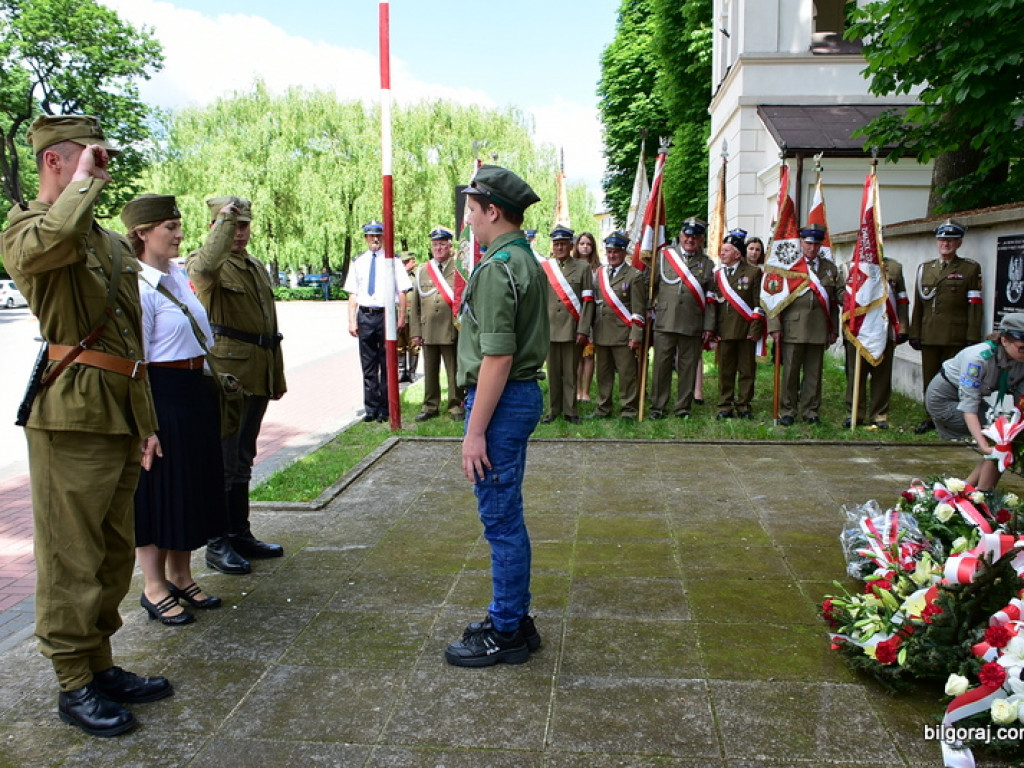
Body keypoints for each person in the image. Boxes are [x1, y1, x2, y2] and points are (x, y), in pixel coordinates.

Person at [2, 115, 171, 737]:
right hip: (71, 416)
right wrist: (81, 186)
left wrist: (146, 420)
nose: (101, 166)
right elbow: (47, 243)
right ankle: (72, 681)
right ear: (55, 162)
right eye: (88, 156)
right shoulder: (27, 229)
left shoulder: (104, 240)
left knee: (109, 551)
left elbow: (132, 337)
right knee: (71, 553)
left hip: (119, 410)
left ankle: (99, 662)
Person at [444, 164, 549, 667]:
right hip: (518, 397)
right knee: (508, 515)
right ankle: (516, 617)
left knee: (502, 522)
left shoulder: (497, 267)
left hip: (501, 402)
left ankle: (505, 629)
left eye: (471, 210)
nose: (467, 221)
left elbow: (498, 357)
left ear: (492, 211)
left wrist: (474, 432)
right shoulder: (523, 259)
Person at [122, 194, 226, 626]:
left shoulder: (178, 277)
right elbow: (136, 359)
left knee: (190, 487)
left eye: (179, 225)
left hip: (193, 389)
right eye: (170, 226)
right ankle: (153, 585)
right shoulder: (138, 284)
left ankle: (181, 574)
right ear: (142, 233)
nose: (180, 234)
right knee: (157, 491)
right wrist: (146, 424)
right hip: (160, 392)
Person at [188, 195, 286, 573]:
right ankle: (217, 543)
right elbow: (202, 268)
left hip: (257, 370)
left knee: (243, 458)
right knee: (224, 462)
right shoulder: (208, 264)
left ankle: (239, 532)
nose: (240, 232)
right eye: (233, 225)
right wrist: (222, 226)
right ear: (215, 226)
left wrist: (274, 375)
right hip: (230, 375)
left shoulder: (253, 266)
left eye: (244, 224)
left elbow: (266, 325)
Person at [925, 313, 1024, 491]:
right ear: (1004, 341)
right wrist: (984, 445)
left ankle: (965, 490)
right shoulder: (978, 359)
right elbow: (969, 407)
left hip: (971, 401)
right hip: (945, 399)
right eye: (1022, 347)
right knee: (1000, 439)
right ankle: (982, 494)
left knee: (1006, 438)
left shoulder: (1018, 357)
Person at [909, 219, 984, 434]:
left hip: (955, 334)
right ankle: (931, 417)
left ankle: (955, 419)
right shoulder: (925, 269)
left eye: (951, 240)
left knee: (954, 380)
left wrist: (972, 336)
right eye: (942, 239)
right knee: (930, 378)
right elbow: (919, 304)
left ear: (959, 243)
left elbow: (975, 306)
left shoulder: (970, 268)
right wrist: (915, 332)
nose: (946, 244)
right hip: (929, 333)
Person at [768, 223, 842, 426]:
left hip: (819, 327)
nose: (812, 248)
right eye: (809, 244)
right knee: (790, 371)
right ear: (801, 242)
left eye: (816, 244)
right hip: (793, 327)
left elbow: (834, 302)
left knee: (814, 372)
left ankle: (810, 410)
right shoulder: (789, 266)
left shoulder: (829, 269)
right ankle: (788, 410)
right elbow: (774, 297)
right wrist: (774, 326)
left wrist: (834, 328)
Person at [648, 217, 716, 419]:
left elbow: (711, 298)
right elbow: (650, 286)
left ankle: (683, 407)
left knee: (688, 367)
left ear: (701, 239)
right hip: (665, 321)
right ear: (680, 235)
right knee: (661, 365)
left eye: (695, 237)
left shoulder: (707, 264)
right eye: (687, 235)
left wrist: (709, 327)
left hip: (692, 322)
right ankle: (658, 406)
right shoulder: (663, 256)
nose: (690, 239)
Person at [344, 221, 412, 422]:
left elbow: (402, 291)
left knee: (387, 362)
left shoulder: (393, 261)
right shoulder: (359, 261)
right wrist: (351, 320)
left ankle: (385, 408)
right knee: (368, 365)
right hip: (365, 315)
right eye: (371, 236)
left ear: (383, 237)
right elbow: (353, 294)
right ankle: (370, 409)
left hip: (386, 314)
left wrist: (401, 318)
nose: (375, 239)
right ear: (365, 238)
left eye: (378, 236)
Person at [843, 256, 910, 429]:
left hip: (884, 327)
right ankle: (855, 413)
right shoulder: (848, 267)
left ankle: (879, 414)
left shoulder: (895, 267)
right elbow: (843, 296)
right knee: (855, 374)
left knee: (882, 374)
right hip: (858, 329)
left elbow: (902, 299)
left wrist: (902, 327)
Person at [589, 230, 647, 420]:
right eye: (609, 251)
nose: (612, 255)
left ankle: (628, 409)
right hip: (602, 331)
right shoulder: (599, 274)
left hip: (623, 333)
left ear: (624, 253)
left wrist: (636, 336)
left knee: (627, 374)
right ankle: (602, 408)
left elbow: (639, 309)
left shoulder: (634, 276)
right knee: (603, 374)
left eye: (616, 251)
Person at [409, 228, 464, 421]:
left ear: (450, 246)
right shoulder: (423, 271)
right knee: (430, 370)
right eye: (435, 244)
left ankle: (456, 405)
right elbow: (415, 304)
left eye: (442, 244)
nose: (438, 248)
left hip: (451, 328)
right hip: (428, 329)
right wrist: (415, 331)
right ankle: (430, 406)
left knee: (453, 370)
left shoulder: (460, 269)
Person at [541, 225, 594, 424]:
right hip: (550, 329)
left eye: (563, 243)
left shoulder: (583, 268)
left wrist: (583, 328)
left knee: (571, 372)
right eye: (556, 244)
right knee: (553, 373)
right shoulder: (545, 267)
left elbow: (588, 301)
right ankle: (553, 410)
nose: (560, 247)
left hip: (572, 329)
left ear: (571, 245)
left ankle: (571, 411)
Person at [713, 229, 764, 419]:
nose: (722, 253)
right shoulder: (718, 275)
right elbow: (714, 304)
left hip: (745, 330)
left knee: (746, 369)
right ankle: (724, 405)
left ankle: (744, 405)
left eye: (726, 250)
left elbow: (759, 304)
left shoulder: (754, 272)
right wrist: (713, 329)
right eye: (722, 250)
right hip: (724, 329)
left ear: (737, 253)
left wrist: (755, 328)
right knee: (725, 370)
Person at [573, 232, 601, 402]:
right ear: (576, 245)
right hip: (575, 313)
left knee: (589, 355)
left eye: (588, 244)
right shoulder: (571, 266)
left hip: (593, 315)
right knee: (576, 355)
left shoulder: (599, 268)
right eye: (582, 243)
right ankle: (576, 390)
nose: (585, 246)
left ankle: (586, 391)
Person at [398, 252, 420, 383]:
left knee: (413, 344)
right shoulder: (396, 276)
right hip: (398, 312)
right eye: (402, 263)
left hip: (413, 314)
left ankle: (412, 372)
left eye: (406, 262)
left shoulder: (417, 276)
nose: (404, 265)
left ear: (413, 261)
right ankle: (401, 372)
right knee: (399, 345)